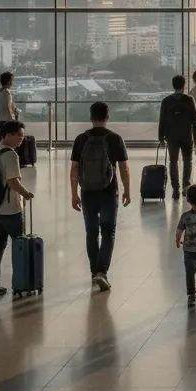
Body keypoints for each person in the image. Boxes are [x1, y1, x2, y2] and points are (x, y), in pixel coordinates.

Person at [70, 101, 130, 292]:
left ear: (91, 117)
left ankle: (94, 271)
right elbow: (124, 167)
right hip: (108, 192)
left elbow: (74, 169)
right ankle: (101, 272)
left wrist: (74, 193)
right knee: (108, 232)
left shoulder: (81, 139)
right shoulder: (115, 139)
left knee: (91, 232)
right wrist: (127, 190)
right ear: (107, 117)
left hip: (87, 192)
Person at [0, 121, 34, 298]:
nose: (21, 138)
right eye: (18, 135)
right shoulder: (10, 155)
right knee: (19, 244)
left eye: (22, 135)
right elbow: (13, 182)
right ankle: (20, 283)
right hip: (10, 209)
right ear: (7, 135)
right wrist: (26, 193)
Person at [158, 74, 196, 201]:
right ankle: (185, 187)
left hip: (172, 136)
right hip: (187, 135)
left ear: (173, 85)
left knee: (173, 162)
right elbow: (195, 119)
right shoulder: (189, 99)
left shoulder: (166, 101)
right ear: (184, 85)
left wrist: (161, 136)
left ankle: (175, 189)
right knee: (188, 161)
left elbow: (162, 120)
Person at [0, 70, 19, 144]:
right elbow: (8, 107)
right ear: (8, 81)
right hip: (6, 121)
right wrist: (12, 120)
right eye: (11, 80)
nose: (12, 83)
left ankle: (0, 155)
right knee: (8, 143)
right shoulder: (7, 92)